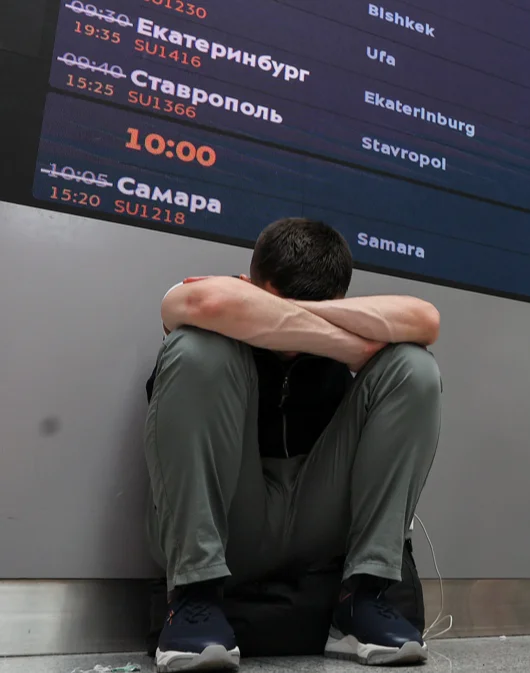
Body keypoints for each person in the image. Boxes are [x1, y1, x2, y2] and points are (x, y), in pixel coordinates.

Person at [143, 218, 443, 671]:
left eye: (321, 307)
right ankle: (194, 597)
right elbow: (204, 301)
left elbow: (426, 320)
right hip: (231, 517)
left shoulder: (341, 310)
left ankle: (362, 599)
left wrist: (284, 315)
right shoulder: (216, 300)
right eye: (275, 301)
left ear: (338, 301)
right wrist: (345, 341)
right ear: (250, 285)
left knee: (414, 368)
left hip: (317, 519)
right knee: (196, 347)